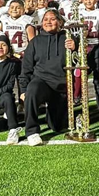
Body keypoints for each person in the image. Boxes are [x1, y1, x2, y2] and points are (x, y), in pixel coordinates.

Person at [20, 9, 76, 146]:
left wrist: (75, 48)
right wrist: (23, 90)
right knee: (32, 90)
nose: (48, 22)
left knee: (57, 126)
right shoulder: (36, 41)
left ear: (60, 22)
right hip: (42, 82)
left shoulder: (69, 39)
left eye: (52, 19)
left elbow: (83, 65)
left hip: (61, 86)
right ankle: (32, 132)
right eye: (45, 19)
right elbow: (26, 68)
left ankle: (51, 115)